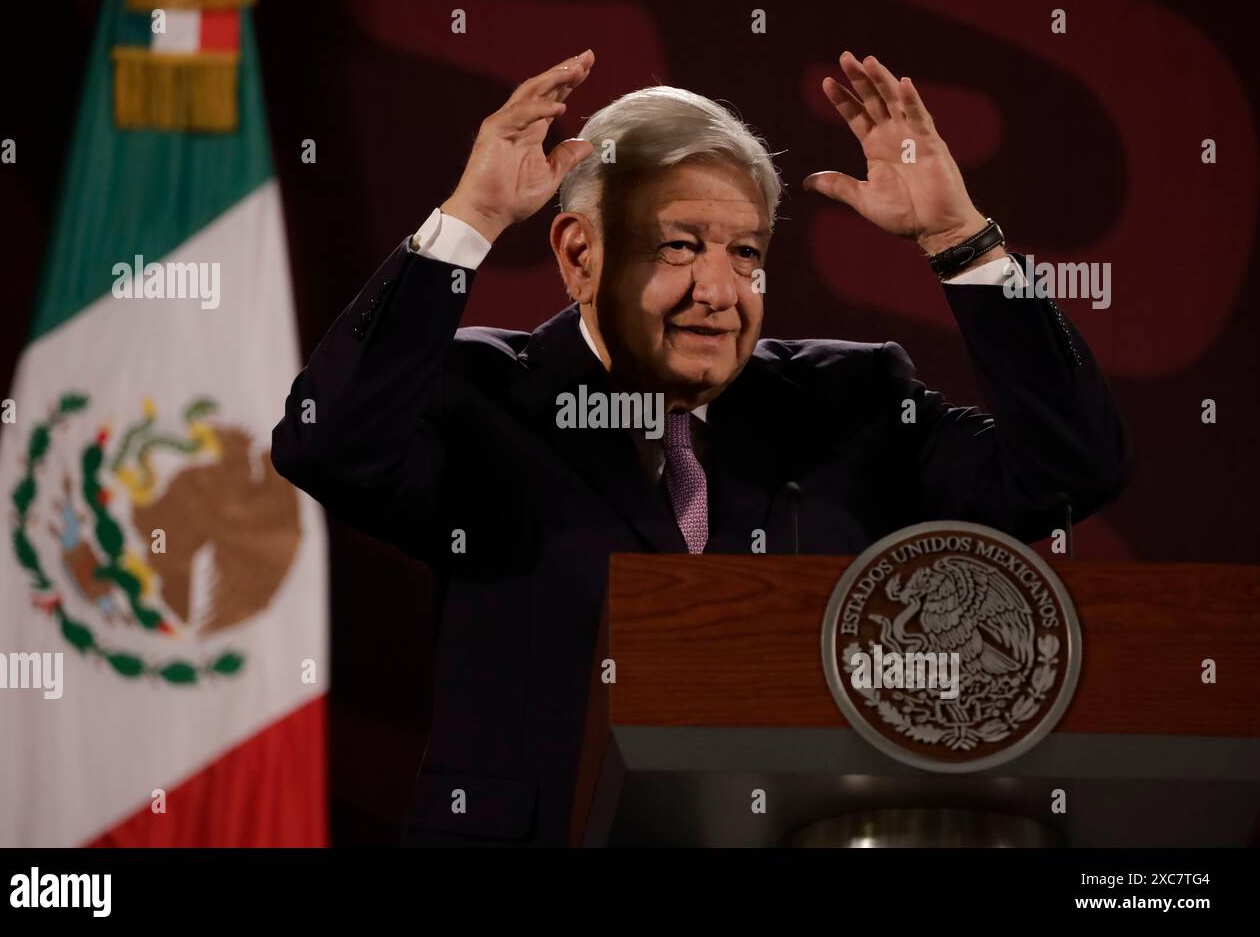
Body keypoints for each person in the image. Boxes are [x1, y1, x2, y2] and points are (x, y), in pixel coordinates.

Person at [271, 49, 1130, 846]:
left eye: (745, 253)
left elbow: (1069, 470)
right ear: (579, 254)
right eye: (678, 247)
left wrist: (962, 243)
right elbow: (326, 446)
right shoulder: (482, 399)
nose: (719, 291)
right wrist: (471, 221)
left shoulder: (855, 403)